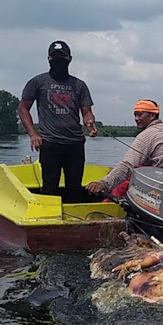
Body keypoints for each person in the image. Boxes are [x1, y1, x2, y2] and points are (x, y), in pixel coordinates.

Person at [18, 40, 98, 203]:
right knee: (50, 187)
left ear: (69, 59)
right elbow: (22, 109)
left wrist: (90, 123)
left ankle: (75, 222)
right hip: (50, 143)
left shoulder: (79, 85)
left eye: (62, 57)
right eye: (55, 57)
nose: (58, 61)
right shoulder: (38, 82)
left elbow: (87, 111)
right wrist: (33, 134)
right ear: (48, 58)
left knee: (75, 187)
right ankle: (48, 222)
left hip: (75, 143)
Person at [85, 99, 163, 198]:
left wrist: (103, 184)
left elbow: (127, 165)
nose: (136, 119)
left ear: (152, 115)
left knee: (125, 179)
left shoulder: (147, 135)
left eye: (140, 114)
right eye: (135, 115)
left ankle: (106, 205)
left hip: (161, 190)